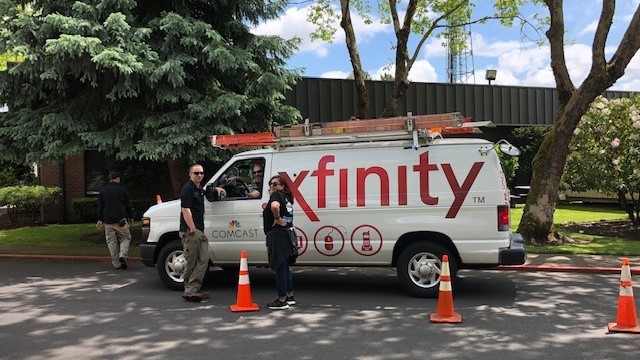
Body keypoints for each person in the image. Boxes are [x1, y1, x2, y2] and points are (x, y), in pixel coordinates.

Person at [179, 164, 225, 302]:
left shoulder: (199, 189)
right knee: (191, 261)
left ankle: (194, 288)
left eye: (201, 173)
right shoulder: (187, 189)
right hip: (192, 230)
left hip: (199, 230)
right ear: (190, 174)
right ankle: (189, 290)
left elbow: (208, 193)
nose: (199, 175)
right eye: (196, 173)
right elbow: (185, 209)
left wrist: (219, 188)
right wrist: (192, 228)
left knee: (204, 259)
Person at [263, 174, 296, 310]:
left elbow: (275, 207)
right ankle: (290, 296)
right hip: (287, 234)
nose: (272, 186)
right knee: (285, 268)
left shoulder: (276, 196)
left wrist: (276, 218)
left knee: (279, 267)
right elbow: (288, 219)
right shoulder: (287, 199)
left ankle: (281, 300)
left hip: (277, 236)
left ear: (282, 186)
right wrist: (282, 220)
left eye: (275, 184)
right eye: (271, 184)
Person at [96, 171, 133, 270]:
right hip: (121, 219)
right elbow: (127, 205)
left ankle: (116, 263)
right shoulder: (122, 190)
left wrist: (100, 219)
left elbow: (100, 206)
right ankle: (123, 255)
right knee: (126, 238)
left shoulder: (103, 190)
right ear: (117, 179)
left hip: (108, 221)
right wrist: (130, 217)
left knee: (111, 242)